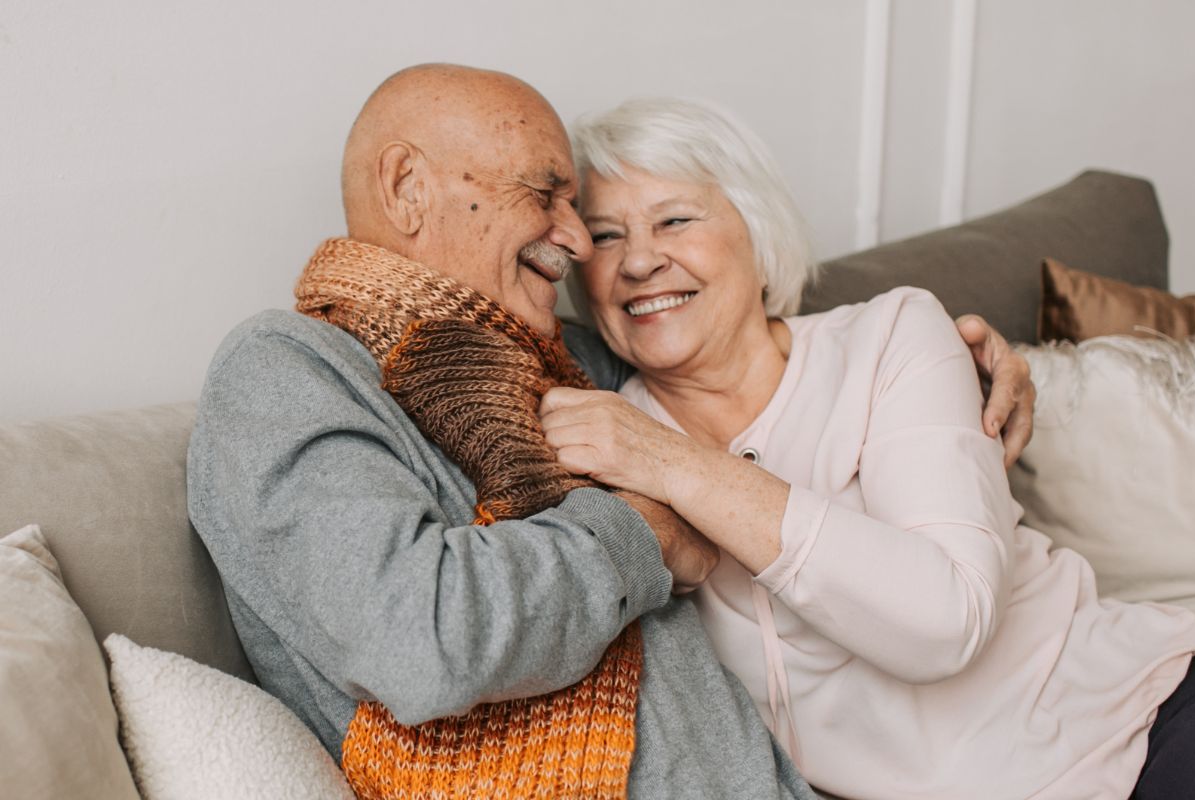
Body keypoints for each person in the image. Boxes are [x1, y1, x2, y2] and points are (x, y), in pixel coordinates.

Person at [187, 65, 1028, 799]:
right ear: (408, 187)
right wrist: (648, 533)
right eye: (545, 195)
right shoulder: (287, 371)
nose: (578, 239)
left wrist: (983, 368)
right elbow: (418, 637)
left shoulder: (568, 355)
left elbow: (736, 339)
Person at [539, 95, 1195, 800]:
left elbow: (948, 622)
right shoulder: (599, 433)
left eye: (675, 219)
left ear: (759, 238)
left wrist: (678, 466)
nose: (639, 260)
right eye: (605, 237)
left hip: (1134, 720)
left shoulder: (893, 338)